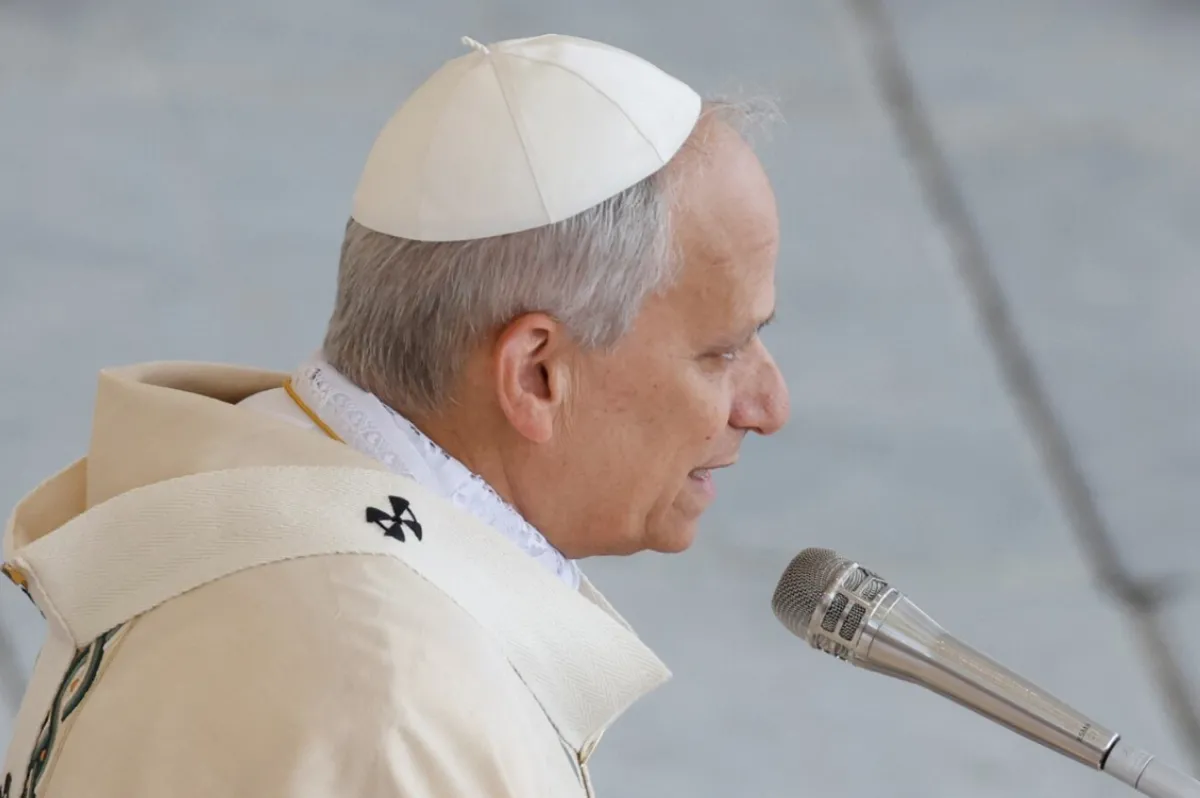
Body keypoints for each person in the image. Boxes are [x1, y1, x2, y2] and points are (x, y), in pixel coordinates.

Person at [0, 33, 789, 798]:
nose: (769, 407)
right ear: (537, 374)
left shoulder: (252, 487)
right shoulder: (399, 703)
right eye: (724, 352)